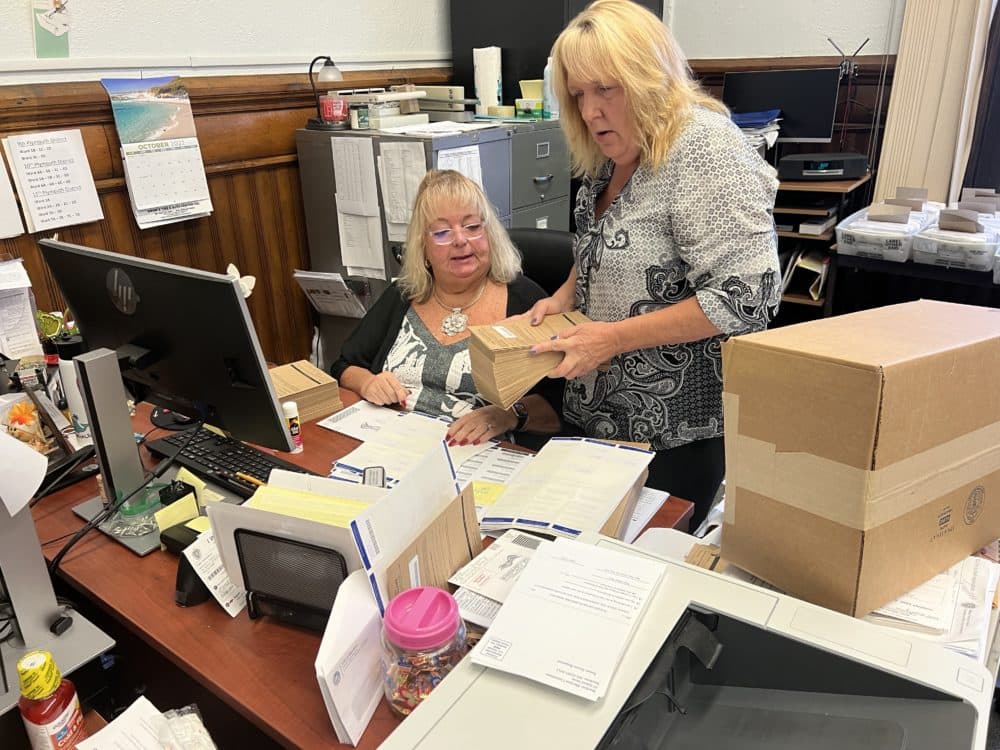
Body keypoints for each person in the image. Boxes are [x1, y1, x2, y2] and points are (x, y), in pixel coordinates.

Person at [522, 0, 781, 528]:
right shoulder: (613, 154)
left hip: (672, 435)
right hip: (594, 418)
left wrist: (612, 338)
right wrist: (566, 294)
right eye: (578, 94)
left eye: (605, 89)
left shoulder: (705, 149)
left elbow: (747, 297)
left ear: (648, 78)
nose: (590, 111)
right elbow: (605, 246)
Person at [331, 169, 561, 447]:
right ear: (423, 247)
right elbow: (345, 365)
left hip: (478, 458)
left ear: (490, 234)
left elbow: (561, 404)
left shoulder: (527, 302)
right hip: (393, 443)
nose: (460, 240)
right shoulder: (404, 294)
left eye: (473, 227)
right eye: (441, 232)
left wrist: (507, 415)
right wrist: (367, 383)